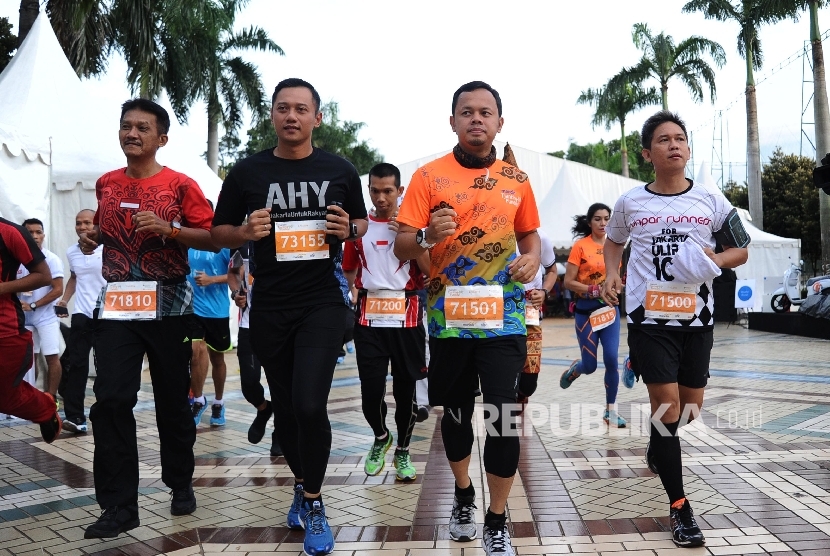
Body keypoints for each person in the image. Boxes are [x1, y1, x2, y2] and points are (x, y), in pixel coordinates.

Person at [211, 78, 368, 556]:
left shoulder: (339, 169)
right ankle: (302, 483)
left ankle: (316, 503)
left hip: (321, 303)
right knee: (288, 415)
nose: (292, 116)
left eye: (302, 109)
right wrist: (242, 230)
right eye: (283, 108)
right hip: (271, 308)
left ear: (317, 118)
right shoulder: (246, 172)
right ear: (272, 115)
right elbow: (218, 232)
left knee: (308, 406)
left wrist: (351, 227)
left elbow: (360, 221)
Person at [394, 81, 541, 556]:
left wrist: (531, 259)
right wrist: (424, 236)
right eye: (467, 112)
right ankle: (463, 493)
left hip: (505, 319)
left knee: (502, 417)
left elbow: (531, 238)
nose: (476, 119)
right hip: (449, 319)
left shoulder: (516, 181)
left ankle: (497, 518)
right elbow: (401, 246)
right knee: (454, 415)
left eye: (486, 112)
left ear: (500, 122)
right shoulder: (427, 178)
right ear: (452, 121)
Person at [602, 111, 749, 548]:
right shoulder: (631, 202)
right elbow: (613, 241)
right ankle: (680, 508)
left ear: (688, 149)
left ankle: (656, 444)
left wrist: (713, 261)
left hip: (697, 321)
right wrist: (613, 273)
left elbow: (740, 249)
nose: (674, 144)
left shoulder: (711, 201)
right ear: (648, 153)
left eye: (680, 138)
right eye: (664, 140)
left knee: (689, 410)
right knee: (666, 408)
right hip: (649, 320)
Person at [78, 98, 216, 540]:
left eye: (142, 127)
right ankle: (118, 506)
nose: (131, 133)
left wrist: (170, 230)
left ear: (162, 138)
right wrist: (92, 240)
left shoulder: (181, 184)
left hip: (170, 308)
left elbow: (213, 236)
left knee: (171, 403)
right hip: (117, 307)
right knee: (112, 400)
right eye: (125, 126)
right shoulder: (106, 183)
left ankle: (180, 479)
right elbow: (106, 230)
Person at [342, 162, 430, 482]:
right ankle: (381, 437)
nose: (381, 197)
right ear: (369, 190)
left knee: (406, 393)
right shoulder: (359, 228)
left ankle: (403, 449)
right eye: (375, 191)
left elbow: (430, 269)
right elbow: (349, 269)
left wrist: (411, 237)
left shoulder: (413, 224)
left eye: (388, 191)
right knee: (370, 392)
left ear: (400, 191)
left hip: (406, 316)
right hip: (368, 315)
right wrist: (354, 292)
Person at [560, 203, 629, 428]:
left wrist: (617, 286)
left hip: (609, 312)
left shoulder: (615, 247)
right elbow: (568, 282)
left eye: (607, 219)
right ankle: (576, 368)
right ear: (589, 222)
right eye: (598, 219)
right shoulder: (580, 246)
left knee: (611, 359)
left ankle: (611, 411)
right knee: (590, 366)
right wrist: (590, 290)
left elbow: (615, 277)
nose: (603, 223)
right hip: (585, 314)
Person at [0, 217, 62, 441]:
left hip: (7, 332)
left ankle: (45, 408)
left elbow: (44, 276)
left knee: (6, 398)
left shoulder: (9, 232)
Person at [227, 242, 282, 456]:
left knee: (280, 384)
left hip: (280, 325)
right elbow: (232, 273)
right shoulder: (242, 244)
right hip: (249, 325)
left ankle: (280, 432)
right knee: (248, 382)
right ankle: (263, 409)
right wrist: (236, 294)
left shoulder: (284, 238)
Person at [56, 209, 107, 433]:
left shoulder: (108, 250)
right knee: (77, 364)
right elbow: (75, 278)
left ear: (97, 225)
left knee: (105, 365)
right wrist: (65, 300)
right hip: (81, 314)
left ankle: (105, 411)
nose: (82, 227)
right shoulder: (71, 252)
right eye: (78, 223)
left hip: (106, 313)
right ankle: (76, 417)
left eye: (87, 222)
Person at [186, 206, 232, 428]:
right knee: (195, 351)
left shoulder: (221, 243)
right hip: (192, 309)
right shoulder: (186, 241)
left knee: (217, 359)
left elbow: (238, 274)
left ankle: (219, 401)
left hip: (217, 311)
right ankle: (198, 399)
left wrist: (212, 279)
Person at [17, 219, 64, 394]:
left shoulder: (51, 259)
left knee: (52, 356)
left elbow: (58, 289)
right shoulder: (17, 259)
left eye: (39, 232)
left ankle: (51, 398)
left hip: (46, 316)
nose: (35, 236)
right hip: (24, 316)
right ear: (22, 235)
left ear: (44, 235)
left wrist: (34, 305)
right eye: (30, 232)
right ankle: (30, 397)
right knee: (29, 359)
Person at [517, 228, 556, 406]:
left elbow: (552, 271)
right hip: (501, 315)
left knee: (529, 380)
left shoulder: (541, 237)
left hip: (531, 314)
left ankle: (523, 393)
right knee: (505, 367)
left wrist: (544, 291)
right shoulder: (494, 233)